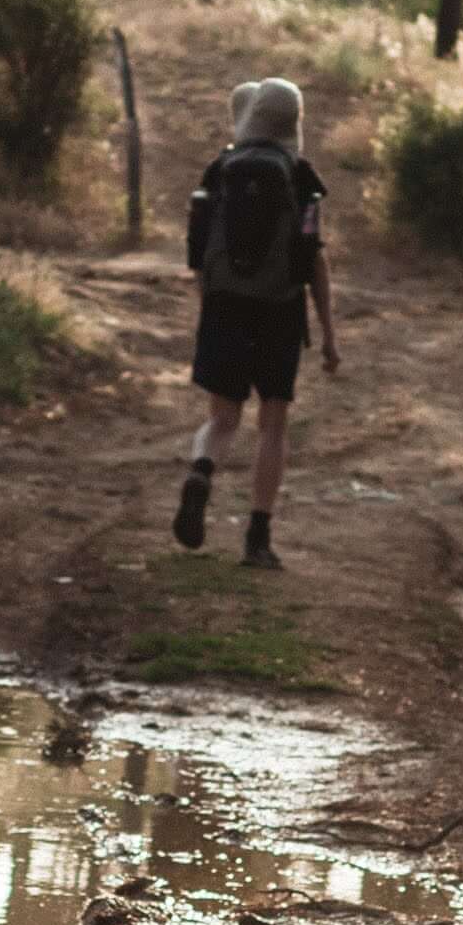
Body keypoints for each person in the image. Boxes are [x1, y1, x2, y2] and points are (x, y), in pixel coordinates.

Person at [175, 77, 339, 568]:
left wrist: (213, 305)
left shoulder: (219, 170)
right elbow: (314, 261)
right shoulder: (300, 178)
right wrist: (328, 334)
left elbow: (199, 258)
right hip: (279, 310)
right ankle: (257, 538)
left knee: (221, 419)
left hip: (225, 307)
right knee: (273, 423)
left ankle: (202, 469)